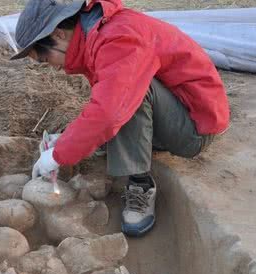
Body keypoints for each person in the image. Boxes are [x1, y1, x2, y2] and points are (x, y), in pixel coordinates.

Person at [15, 0, 229, 237]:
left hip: (194, 128)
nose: (53, 67)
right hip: (175, 114)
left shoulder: (118, 38)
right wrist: (66, 139)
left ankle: (140, 184)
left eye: (46, 60)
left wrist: (58, 155)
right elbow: (105, 103)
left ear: (59, 34)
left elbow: (110, 111)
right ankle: (99, 146)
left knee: (127, 96)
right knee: (118, 97)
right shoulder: (97, 35)